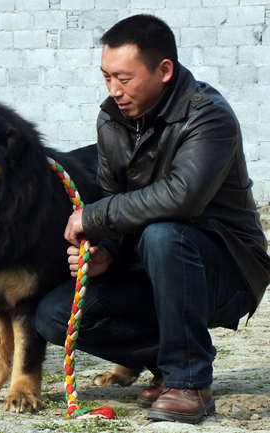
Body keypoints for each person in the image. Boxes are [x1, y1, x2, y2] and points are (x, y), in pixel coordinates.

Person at [35, 15, 270, 424]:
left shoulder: (208, 116)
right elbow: (114, 199)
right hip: (152, 262)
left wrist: (93, 215)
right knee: (54, 314)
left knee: (165, 236)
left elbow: (184, 196)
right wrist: (104, 251)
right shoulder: (112, 119)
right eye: (106, 77)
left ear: (164, 71)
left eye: (124, 78)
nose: (113, 90)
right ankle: (169, 363)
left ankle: (189, 382)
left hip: (227, 270)